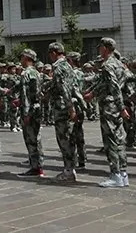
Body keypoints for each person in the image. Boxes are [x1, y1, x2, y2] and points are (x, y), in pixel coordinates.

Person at [84, 37, 129, 188]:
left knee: (110, 140)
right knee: (119, 139)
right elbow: (109, 84)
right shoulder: (119, 64)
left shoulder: (108, 65)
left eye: (100, 47)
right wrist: (93, 93)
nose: (99, 49)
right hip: (115, 104)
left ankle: (115, 174)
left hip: (110, 106)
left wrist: (121, 107)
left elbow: (114, 87)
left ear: (106, 48)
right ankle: (123, 174)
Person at [48, 42, 81, 182]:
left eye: (50, 53)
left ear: (54, 53)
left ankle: (68, 170)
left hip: (62, 107)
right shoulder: (67, 65)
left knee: (64, 139)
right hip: (66, 105)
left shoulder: (59, 67)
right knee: (69, 138)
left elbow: (65, 89)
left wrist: (70, 108)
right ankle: (70, 168)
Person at [17, 49, 45, 177]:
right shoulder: (37, 73)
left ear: (27, 58)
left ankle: (35, 167)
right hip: (38, 108)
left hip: (29, 109)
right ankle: (39, 165)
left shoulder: (26, 73)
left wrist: (26, 113)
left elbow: (25, 94)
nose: (20, 60)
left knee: (30, 139)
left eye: (22, 57)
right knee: (37, 137)